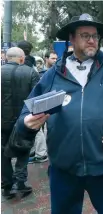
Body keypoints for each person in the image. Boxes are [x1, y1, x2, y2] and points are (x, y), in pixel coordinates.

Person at [15, 13, 103, 213]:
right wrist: (27, 123)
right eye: (85, 35)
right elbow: (26, 113)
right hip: (64, 169)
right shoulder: (54, 74)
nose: (92, 40)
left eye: (95, 36)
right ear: (71, 39)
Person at [1, 47, 40, 199]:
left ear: (6, 57)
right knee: (24, 149)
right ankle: (20, 183)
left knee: (3, 152)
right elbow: (37, 98)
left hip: (2, 121)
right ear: (22, 59)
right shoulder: (31, 72)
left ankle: (7, 185)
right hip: (24, 120)